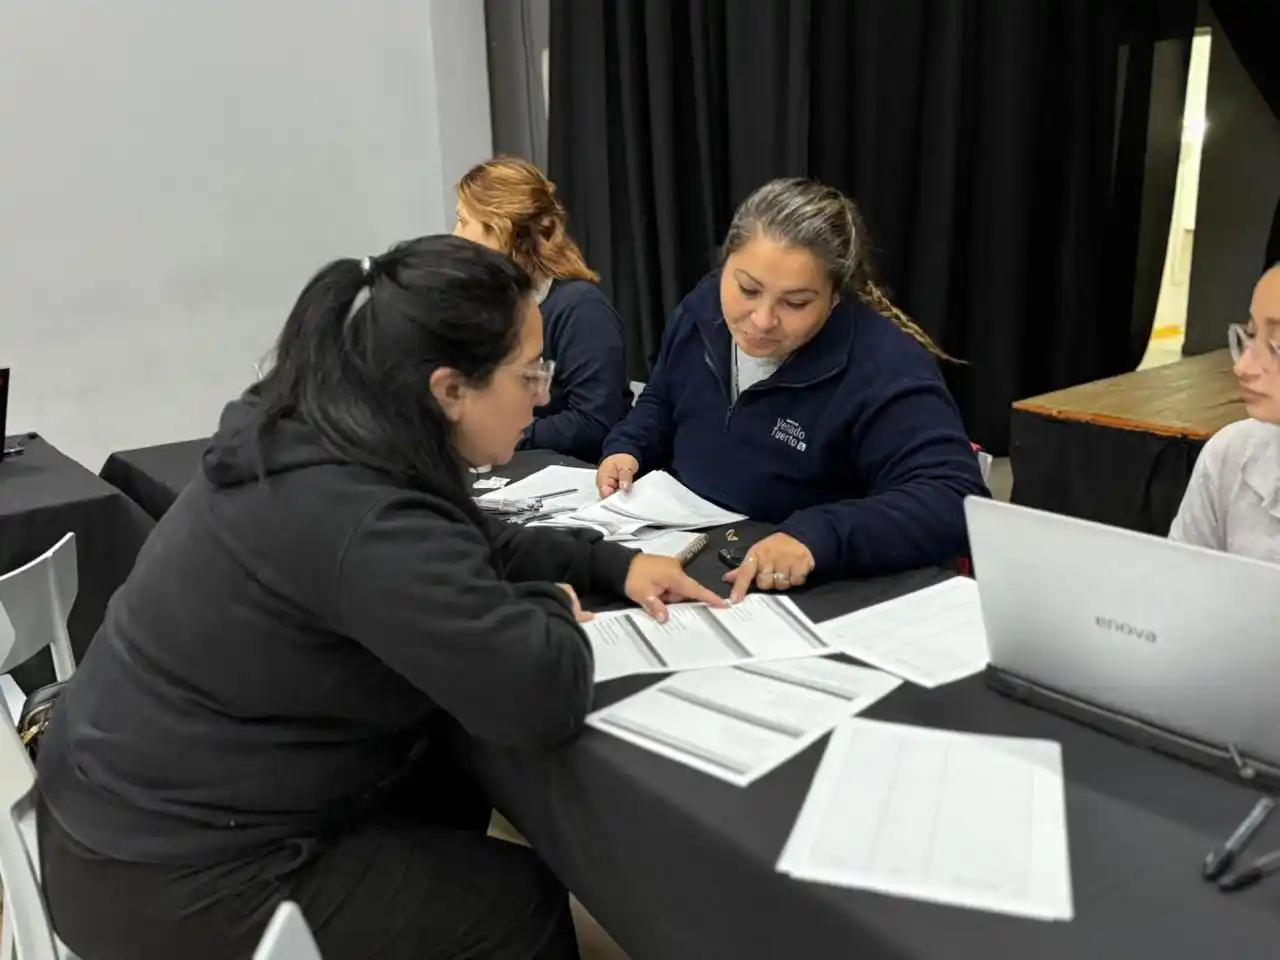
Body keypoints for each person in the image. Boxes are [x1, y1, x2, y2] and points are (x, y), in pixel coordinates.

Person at [36, 236, 720, 960]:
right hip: (172, 882)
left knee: (443, 783)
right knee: (516, 902)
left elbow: (462, 535)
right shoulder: (362, 518)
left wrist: (609, 563)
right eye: (529, 374)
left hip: (125, 814)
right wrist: (547, 603)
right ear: (450, 389)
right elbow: (538, 694)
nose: (544, 394)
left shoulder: (314, 428)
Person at [597, 178, 988, 599]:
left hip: (806, 589)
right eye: (747, 288)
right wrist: (629, 446)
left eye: (796, 303)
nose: (762, 320)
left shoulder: (883, 367)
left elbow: (953, 499)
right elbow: (664, 396)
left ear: (835, 296)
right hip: (688, 549)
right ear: (725, 263)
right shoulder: (703, 306)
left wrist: (815, 537)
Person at [454, 156, 629, 461]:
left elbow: (595, 422)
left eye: (463, 221)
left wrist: (498, 436)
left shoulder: (580, 308)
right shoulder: (481, 305)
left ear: (501, 231)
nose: (455, 235)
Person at [1170, 264, 1280, 561]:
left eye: (1277, 346)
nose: (1242, 367)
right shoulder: (1231, 454)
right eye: (1252, 335)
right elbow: (1177, 586)